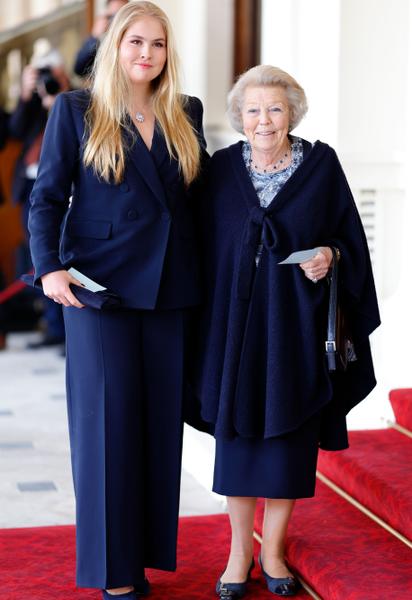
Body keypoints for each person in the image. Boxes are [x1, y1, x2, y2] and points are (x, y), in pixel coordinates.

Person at [28, 1, 206, 598]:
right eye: (135, 41)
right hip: (97, 290)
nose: (146, 54)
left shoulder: (185, 111)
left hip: (170, 289)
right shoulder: (77, 109)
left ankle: (144, 558)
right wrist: (49, 269)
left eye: (157, 44)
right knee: (106, 430)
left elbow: (200, 198)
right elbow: (47, 197)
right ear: (115, 46)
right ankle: (115, 574)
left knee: (157, 430)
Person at [189, 65, 380, 598]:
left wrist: (329, 255)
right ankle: (239, 553)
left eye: (275, 108)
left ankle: (272, 552)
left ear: (292, 113)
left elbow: (348, 240)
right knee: (238, 444)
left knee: (289, 441)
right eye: (253, 110)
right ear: (239, 116)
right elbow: (200, 245)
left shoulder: (321, 167)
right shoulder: (221, 170)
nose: (264, 120)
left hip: (295, 329)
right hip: (235, 331)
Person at [9, 49, 70, 348]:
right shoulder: (33, 105)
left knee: (66, 255)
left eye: (53, 73)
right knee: (40, 256)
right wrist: (25, 93)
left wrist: (59, 97)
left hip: (66, 192)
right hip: (31, 188)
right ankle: (52, 327)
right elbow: (14, 131)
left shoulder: (73, 100)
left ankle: (68, 330)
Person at [73, 0, 128, 77]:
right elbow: (79, 69)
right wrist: (94, 37)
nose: (115, 21)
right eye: (111, 16)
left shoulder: (133, 38)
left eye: (119, 16)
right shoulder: (101, 42)